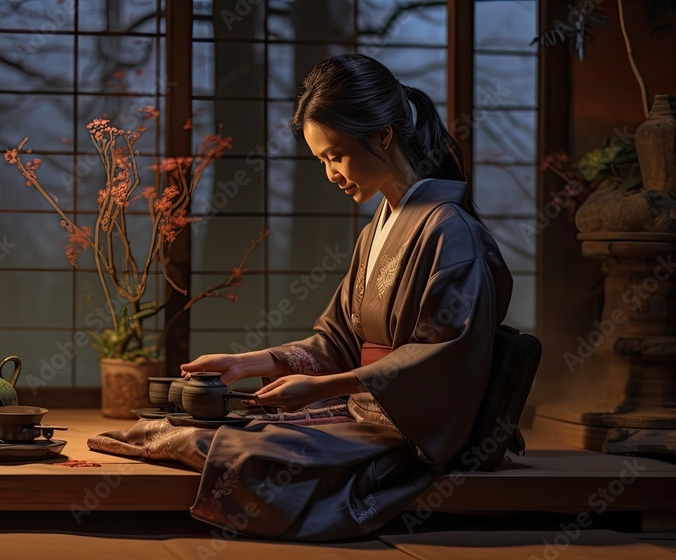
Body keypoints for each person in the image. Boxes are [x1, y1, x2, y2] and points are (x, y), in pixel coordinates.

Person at [90, 53, 513, 541]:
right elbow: (335, 341)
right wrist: (246, 363)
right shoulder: (381, 225)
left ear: (383, 135)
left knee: (242, 453)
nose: (330, 173)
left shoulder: (451, 232)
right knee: (190, 432)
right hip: (361, 408)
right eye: (321, 161)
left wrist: (322, 388)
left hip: (406, 431)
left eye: (335, 155)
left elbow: (444, 357)